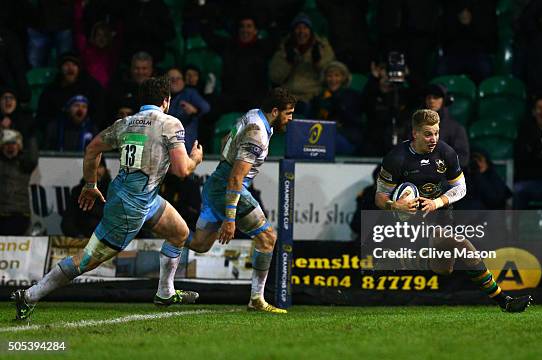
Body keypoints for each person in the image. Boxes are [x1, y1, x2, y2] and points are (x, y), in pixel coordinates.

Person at [12, 76, 204, 321]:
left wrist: (91, 183)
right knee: (88, 260)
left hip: (143, 197)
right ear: (166, 101)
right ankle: (30, 295)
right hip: (129, 207)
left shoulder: (125, 123)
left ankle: (165, 292)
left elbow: (92, 148)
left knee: (179, 233)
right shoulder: (170, 123)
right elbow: (182, 169)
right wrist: (195, 158)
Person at [375, 109, 532, 312]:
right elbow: (380, 197)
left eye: (437, 133)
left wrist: (437, 202)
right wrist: (395, 205)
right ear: (415, 134)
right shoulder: (396, 157)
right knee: (462, 244)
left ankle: (402, 259)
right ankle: (504, 301)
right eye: (428, 134)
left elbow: (461, 188)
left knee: (444, 268)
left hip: (440, 216)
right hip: (410, 223)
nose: (434, 139)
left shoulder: (446, 153)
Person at [181, 87, 296, 314]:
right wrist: (230, 219)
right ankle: (256, 298)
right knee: (268, 238)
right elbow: (235, 177)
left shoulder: (253, 115)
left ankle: (170, 232)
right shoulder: (257, 133)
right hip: (229, 187)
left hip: (215, 184)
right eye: (288, 113)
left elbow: (226, 139)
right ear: (275, 111)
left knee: (199, 244)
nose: (291, 119)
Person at [269, 13, 335, 113]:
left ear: (311, 31)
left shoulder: (322, 47)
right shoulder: (284, 48)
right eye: (298, 28)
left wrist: (318, 62)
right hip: (288, 96)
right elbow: (275, 77)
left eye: (305, 28)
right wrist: (288, 62)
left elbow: (330, 75)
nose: (301, 32)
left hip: (313, 96)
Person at [310, 61, 363, 155]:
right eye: (329, 76)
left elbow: (354, 121)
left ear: (343, 78)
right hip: (322, 135)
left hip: (346, 137)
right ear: (325, 78)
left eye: (337, 75)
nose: (333, 79)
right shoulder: (319, 98)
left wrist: (338, 104)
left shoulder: (352, 95)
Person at [0, 129, 38, 235]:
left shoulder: (24, 164)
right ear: (2, 147)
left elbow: (33, 158)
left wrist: (30, 135)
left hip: (20, 215)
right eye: (7, 144)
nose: (10, 147)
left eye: (13, 143)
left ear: (19, 146)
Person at [61, 157, 112, 237]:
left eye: (100, 166)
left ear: (105, 169)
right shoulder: (78, 192)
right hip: (83, 242)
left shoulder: (113, 193)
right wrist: (79, 236)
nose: (96, 171)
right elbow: (67, 222)